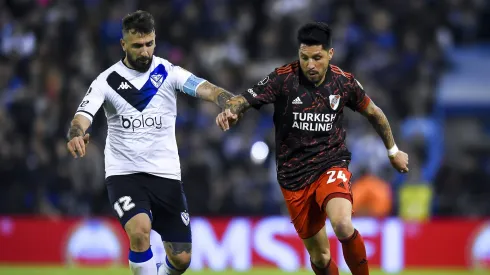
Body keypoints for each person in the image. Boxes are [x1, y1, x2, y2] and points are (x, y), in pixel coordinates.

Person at [216, 22, 409, 275]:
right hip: (293, 177)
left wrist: (393, 151)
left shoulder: (344, 83)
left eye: (317, 58)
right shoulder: (283, 78)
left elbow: (374, 113)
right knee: (320, 257)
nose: (310, 65)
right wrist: (232, 110)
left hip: (331, 165)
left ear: (330, 54)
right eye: (304, 57)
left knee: (342, 225)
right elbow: (246, 97)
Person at [66, 10, 235, 275]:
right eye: (137, 46)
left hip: (166, 175)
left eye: (149, 44)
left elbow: (210, 90)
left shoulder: (169, 72)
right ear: (124, 44)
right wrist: (76, 134)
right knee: (139, 231)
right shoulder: (106, 81)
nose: (145, 52)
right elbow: (82, 116)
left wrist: (231, 104)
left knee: (181, 259)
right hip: (125, 174)